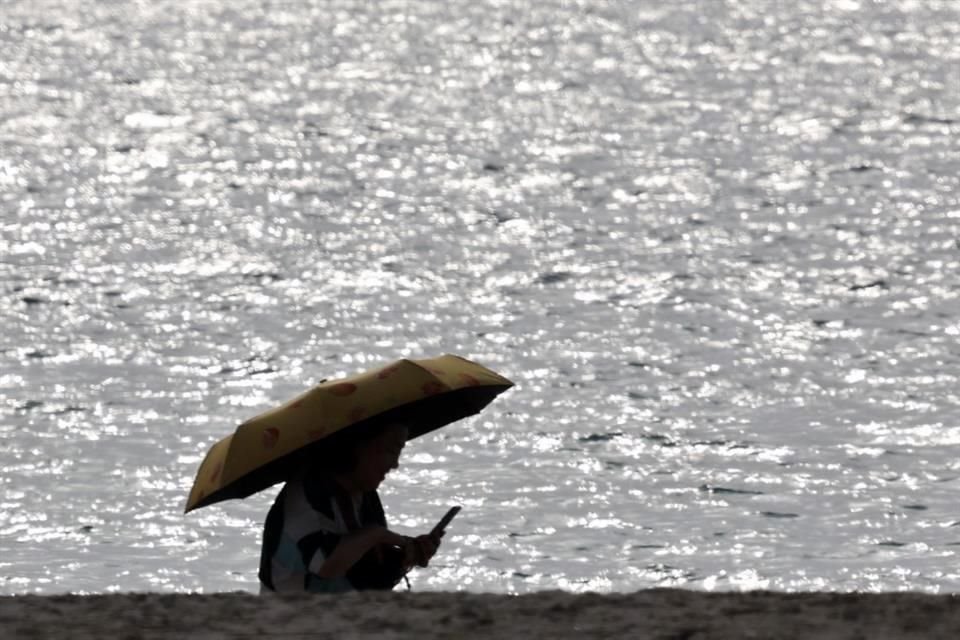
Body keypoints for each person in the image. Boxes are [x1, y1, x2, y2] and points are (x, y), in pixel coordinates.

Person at [258, 420, 443, 593]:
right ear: (360, 446)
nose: (395, 464)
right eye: (391, 451)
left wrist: (409, 553)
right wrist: (377, 534)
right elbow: (325, 563)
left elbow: (370, 569)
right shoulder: (307, 494)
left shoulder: (364, 493)